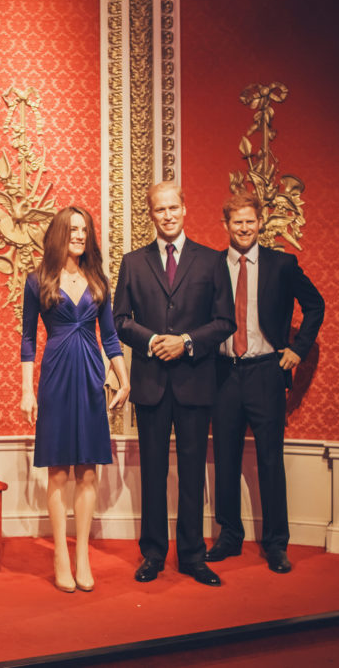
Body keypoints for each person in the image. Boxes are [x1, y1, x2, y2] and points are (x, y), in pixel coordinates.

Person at [113, 181, 235, 587]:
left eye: (173, 208)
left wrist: (184, 342)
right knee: (152, 472)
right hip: (150, 384)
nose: (167, 215)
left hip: (195, 383)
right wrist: (151, 341)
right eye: (159, 209)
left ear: (185, 209)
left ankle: (193, 556)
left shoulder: (211, 261)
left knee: (192, 473)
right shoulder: (133, 262)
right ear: (151, 214)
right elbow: (119, 321)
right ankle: (152, 554)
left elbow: (224, 322)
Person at [206, 193, 324, 574]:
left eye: (250, 221)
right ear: (226, 226)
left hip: (265, 373)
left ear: (260, 223)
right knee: (225, 459)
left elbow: (316, 305)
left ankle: (276, 544)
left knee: (271, 461)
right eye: (236, 222)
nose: (243, 228)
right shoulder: (211, 266)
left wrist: (298, 350)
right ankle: (229, 537)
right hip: (223, 373)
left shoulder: (282, 264)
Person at [19, 207, 130, 593]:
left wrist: (123, 378)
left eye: (85, 230)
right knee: (58, 470)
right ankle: (60, 555)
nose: (80, 235)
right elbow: (28, 339)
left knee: (87, 469)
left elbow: (111, 336)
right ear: (59, 234)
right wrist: (25, 390)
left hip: (90, 377)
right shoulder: (38, 280)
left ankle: (82, 553)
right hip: (55, 375)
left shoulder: (98, 279)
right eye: (73, 229)